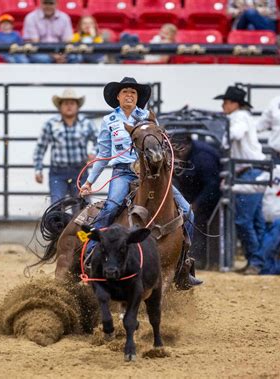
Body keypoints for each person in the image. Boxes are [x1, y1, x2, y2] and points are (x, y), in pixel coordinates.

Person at [79, 77, 201, 288]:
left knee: (187, 211)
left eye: (133, 93)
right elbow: (103, 154)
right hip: (122, 173)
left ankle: (184, 263)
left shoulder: (148, 119)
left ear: (138, 98)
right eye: (125, 92)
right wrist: (89, 182)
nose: (129, 95)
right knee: (112, 206)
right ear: (117, 97)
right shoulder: (109, 122)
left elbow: (160, 148)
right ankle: (91, 251)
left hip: (151, 174)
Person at [214, 85, 267, 273]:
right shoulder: (242, 117)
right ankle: (260, 260)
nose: (223, 106)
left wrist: (225, 138)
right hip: (254, 170)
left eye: (226, 102)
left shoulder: (239, 117)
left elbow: (235, 133)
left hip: (249, 171)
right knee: (255, 221)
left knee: (244, 221)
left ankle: (256, 261)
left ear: (235, 104)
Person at [33, 89, 97, 204]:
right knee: (56, 205)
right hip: (58, 172)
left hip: (80, 171)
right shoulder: (50, 124)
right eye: (65, 103)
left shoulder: (86, 123)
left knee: (82, 206)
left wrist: (93, 153)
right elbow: (40, 147)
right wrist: (38, 169)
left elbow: (99, 141)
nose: (69, 106)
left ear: (77, 106)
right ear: (60, 106)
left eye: (72, 103)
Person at [172, 133, 221, 269]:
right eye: (174, 151)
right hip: (190, 192)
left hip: (207, 195)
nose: (176, 155)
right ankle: (189, 257)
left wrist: (197, 203)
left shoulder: (204, 157)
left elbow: (212, 185)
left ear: (187, 147)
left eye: (178, 151)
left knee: (199, 222)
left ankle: (198, 258)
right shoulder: (183, 154)